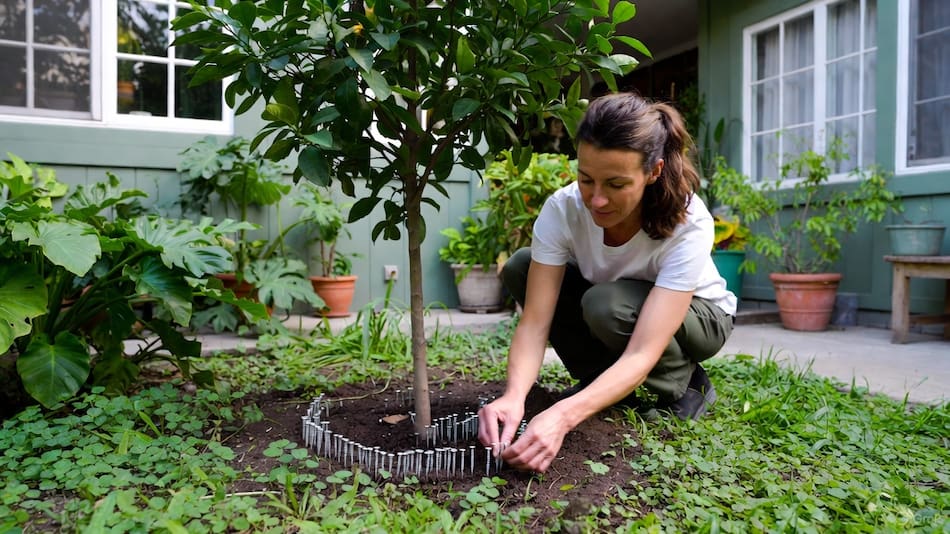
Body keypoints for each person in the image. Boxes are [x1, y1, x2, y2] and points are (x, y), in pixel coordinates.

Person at [477, 93, 737, 474]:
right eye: (586, 179)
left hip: (703, 317)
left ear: (653, 172)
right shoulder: (563, 209)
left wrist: (563, 415)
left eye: (616, 184)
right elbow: (534, 324)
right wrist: (514, 397)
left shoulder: (688, 219)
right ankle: (603, 384)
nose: (596, 200)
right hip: (619, 302)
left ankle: (685, 386)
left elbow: (642, 351)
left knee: (606, 305)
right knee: (522, 266)